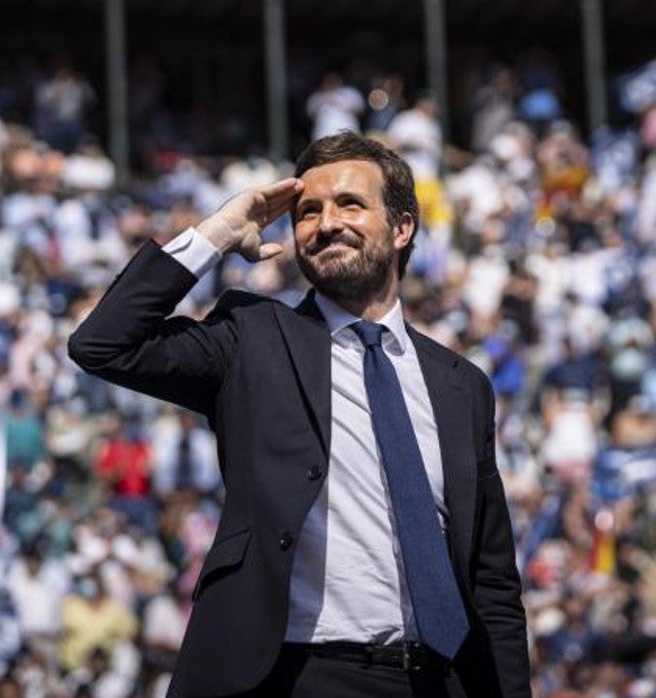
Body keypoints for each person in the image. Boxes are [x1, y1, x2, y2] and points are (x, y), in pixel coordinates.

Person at [69, 131, 529, 697]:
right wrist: (214, 234)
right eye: (308, 211)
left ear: (403, 227)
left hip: (439, 681)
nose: (326, 222)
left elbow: (492, 581)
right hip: (296, 676)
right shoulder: (253, 339)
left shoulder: (461, 386)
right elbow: (103, 345)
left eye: (350, 204)